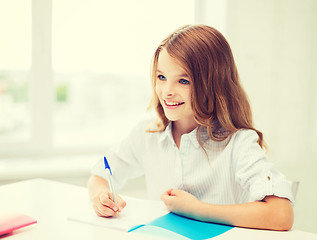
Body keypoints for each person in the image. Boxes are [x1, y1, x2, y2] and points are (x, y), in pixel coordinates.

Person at [88, 24, 294, 231]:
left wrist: (197, 209)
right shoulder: (148, 133)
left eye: (183, 81)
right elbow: (100, 176)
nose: (167, 91)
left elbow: (281, 214)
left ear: (213, 85)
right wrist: (101, 197)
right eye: (161, 77)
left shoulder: (238, 142)